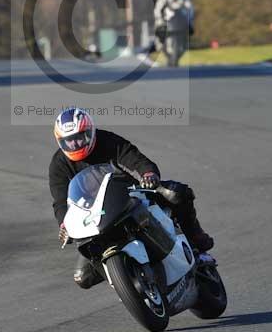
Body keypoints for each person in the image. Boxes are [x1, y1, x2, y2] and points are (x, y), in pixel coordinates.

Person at [49, 106, 214, 289]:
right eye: (69, 142)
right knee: (83, 277)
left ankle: (195, 240)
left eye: (80, 138)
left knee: (177, 193)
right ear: (60, 141)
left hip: (126, 196)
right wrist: (64, 224)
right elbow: (60, 200)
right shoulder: (59, 164)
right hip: (92, 216)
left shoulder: (107, 140)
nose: (76, 144)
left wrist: (148, 174)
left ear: (90, 132)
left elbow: (134, 158)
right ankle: (123, 279)